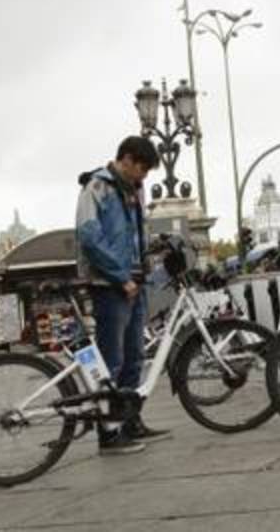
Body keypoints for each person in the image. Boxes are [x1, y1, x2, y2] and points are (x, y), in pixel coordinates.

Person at [75, 135, 171, 455]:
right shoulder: (97, 188)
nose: (144, 177)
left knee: (134, 359)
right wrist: (119, 276)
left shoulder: (133, 191)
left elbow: (133, 237)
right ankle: (109, 433)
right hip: (109, 286)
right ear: (127, 159)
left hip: (134, 283)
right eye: (142, 169)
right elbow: (90, 237)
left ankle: (130, 421)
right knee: (111, 361)